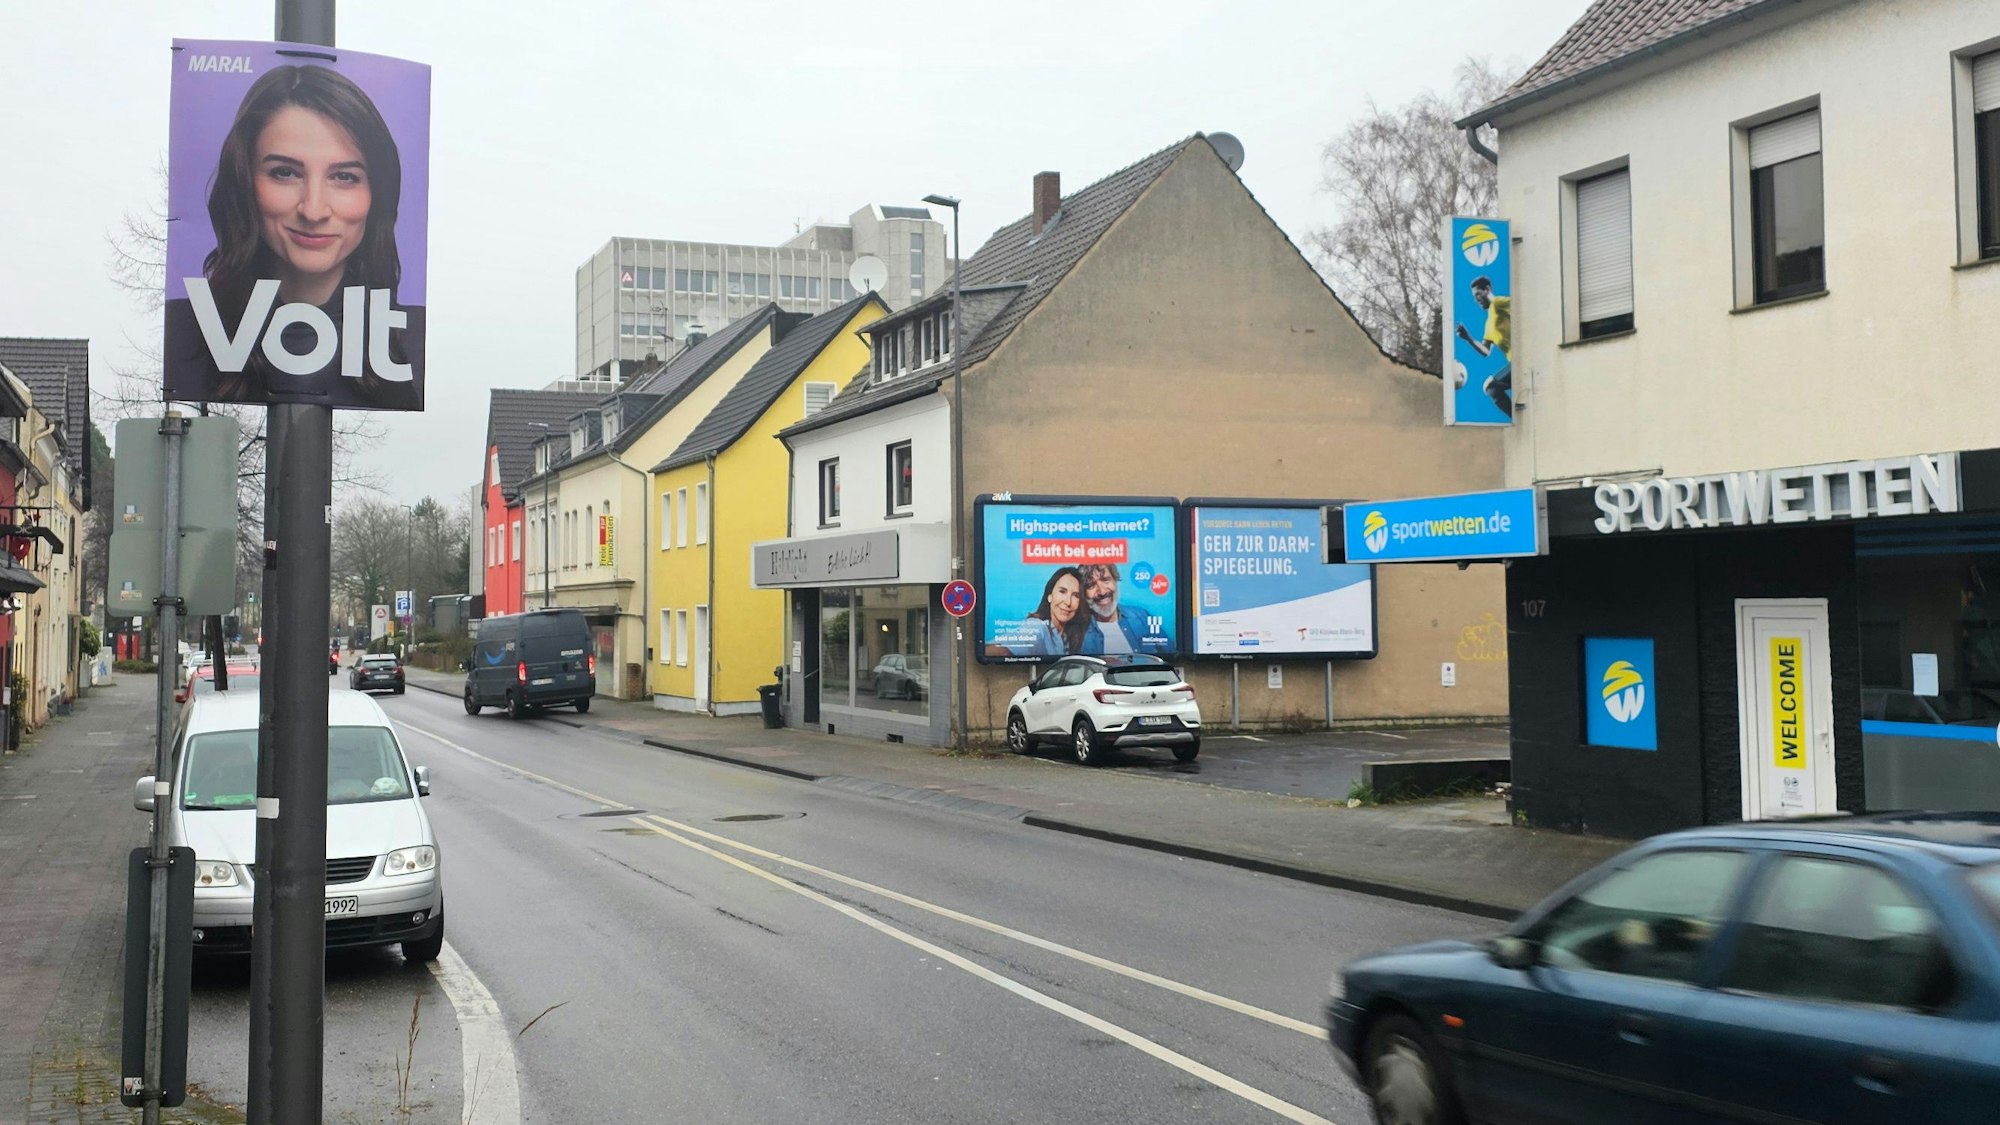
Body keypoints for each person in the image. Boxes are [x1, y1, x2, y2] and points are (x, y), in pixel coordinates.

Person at [164, 64, 423, 408]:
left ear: (377, 194)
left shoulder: (409, 340)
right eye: (284, 173)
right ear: (244, 182)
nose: (313, 210)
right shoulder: (188, 331)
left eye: (344, 177)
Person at [984, 567, 1088, 658]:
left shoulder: (1067, 638)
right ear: (1050, 596)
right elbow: (999, 652)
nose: (1068, 602)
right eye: (1062, 591)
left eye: (1075, 595)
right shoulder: (1038, 627)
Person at [1453, 275, 1512, 418]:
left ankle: (1519, 419)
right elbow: (1486, 351)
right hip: (1515, 363)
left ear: (1487, 290)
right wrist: (1468, 338)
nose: (1476, 299)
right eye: (1474, 297)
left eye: (1478, 294)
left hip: (1525, 357)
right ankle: (1521, 417)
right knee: (1491, 389)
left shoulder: (1498, 303)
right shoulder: (1489, 323)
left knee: (1490, 387)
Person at [1077, 564, 1168, 655]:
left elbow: (1172, 655)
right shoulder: (1079, 635)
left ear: (1115, 581)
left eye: (1105, 580)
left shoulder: (1142, 615)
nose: (1102, 592)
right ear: (1084, 594)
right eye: (1091, 585)